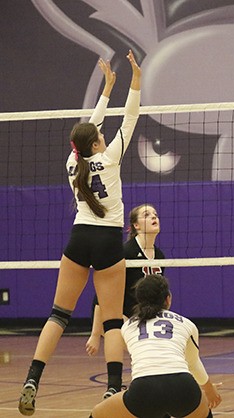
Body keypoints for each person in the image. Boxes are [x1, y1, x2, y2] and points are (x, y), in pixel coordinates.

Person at [18, 51, 141, 416]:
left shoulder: (73, 161)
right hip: (106, 242)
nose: (103, 134)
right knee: (113, 320)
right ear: (97, 144)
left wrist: (107, 88)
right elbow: (130, 116)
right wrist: (135, 79)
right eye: (100, 135)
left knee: (58, 315)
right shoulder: (112, 156)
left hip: (79, 238)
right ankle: (113, 389)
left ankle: (32, 380)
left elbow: (87, 128)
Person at [90, 274, 222, 418]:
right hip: (183, 387)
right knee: (203, 409)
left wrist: (96, 333)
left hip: (145, 390)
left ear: (139, 301)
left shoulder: (127, 326)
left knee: (98, 413)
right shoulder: (186, 324)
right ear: (168, 299)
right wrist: (209, 390)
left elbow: (109, 326)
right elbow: (193, 363)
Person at [86, 203, 164, 356]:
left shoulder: (160, 256)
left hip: (141, 316)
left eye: (155, 214)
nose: (154, 217)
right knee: (142, 354)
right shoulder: (125, 253)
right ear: (136, 225)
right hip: (114, 315)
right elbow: (102, 296)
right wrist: (95, 335)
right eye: (147, 215)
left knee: (155, 351)